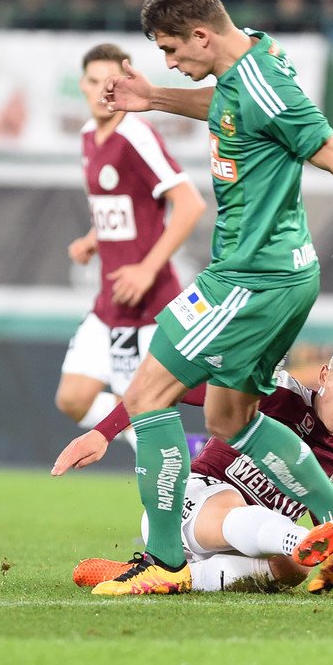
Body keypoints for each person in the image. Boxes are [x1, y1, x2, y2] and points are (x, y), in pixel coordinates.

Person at [51, 0, 333, 597]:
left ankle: (164, 559)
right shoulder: (251, 55)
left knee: (148, 394)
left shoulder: (265, 84)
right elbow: (229, 105)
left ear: (202, 35)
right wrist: (155, 97)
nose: (169, 62)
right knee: (231, 418)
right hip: (277, 274)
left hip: (250, 276)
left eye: (171, 50)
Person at [71, 338, 333, 595]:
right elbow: (168, 386)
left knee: (297, 568)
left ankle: (166, 575)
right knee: (240, 506)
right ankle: (296, 539)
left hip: (246, 545)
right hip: (186, 514)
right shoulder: (276, 392)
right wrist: (103, 433)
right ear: (324, 376)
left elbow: (330, 523)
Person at [55, 42, 206, 449]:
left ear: (125, 85)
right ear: (82, 86)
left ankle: (198, 454)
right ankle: (185, 448)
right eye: (93, 82)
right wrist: (93, 239)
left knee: (145, 410)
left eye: (112, 82)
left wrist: (146, 269)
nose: (102, 91)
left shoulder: (135, 134)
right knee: (73, 398)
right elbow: (121, 208)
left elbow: (190, 204)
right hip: (110, 300)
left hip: (147, 305)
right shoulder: (89, 137)